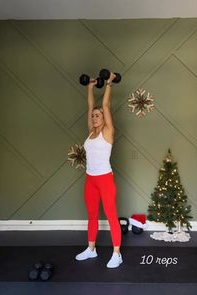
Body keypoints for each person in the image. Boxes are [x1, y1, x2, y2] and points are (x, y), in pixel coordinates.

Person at [75, 72, 122, 268]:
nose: (94, 117)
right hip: (90, 180)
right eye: (93, 115)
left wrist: (109, 83)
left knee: (111, 215)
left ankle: (117, 254)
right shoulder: (90, 133)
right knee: (92, 214)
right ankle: (91, 249)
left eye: (98, 115)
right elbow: (89, 106)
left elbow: (105, 106)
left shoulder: (108, 132)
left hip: (105, 179)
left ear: (104, 118)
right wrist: (90, 87)